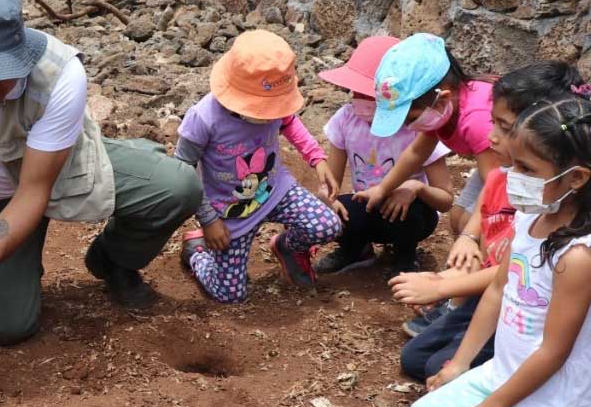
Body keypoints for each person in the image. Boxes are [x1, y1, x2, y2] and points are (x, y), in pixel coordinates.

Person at [0, 0, 202, 345]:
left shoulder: (59, 73)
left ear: (21, 53)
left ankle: (112, 258)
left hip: (61, 171)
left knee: (177, 188)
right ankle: (19, 262)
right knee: (6, 327)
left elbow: (34, 189)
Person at [407, 95, 591, 407]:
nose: (511, 176)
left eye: (527, 169)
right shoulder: (529, 217)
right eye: (514, 164)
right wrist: (459, 364)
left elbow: (554, 352)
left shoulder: (578, 258)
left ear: (575, 178)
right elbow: (497, 289)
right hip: (504, 373)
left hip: (548, 398)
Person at [395, 62, 587, 381]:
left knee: (434, 366)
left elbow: (515, 274)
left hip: (530, 312)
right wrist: (469, 239)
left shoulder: (549, 206)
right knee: (415, 359)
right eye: (493, 122)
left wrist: (443, 285)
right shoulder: (515, 180)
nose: (492, 136)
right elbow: (489, 203)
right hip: (495, 293)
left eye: (505, 127)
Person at [178, 30, 343, 303]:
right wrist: (209, 220)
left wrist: (317, 157)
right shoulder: (204, 118)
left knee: (326, 226)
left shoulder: (278, 109)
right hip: (229, 211)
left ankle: (288, 248)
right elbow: (183, 170)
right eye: (263, 110)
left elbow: (290, 122)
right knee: (231, 295)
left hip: (275, 191)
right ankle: (197, 254)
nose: (271, 116)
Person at [314, 35, 453, 275]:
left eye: (369, 94)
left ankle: (405, 255)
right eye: (356, 92)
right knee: (339, 210)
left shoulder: (417, 127)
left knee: (408, 213)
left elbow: (446, 199)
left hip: (408, 212)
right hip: (367, 206)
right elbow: (331, 183)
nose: (361, 100)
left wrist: (415, 188)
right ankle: (355, 249)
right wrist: (327, 197)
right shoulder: (346, 118)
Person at [355, 34, 500, 228]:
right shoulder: (441, 111)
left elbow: (494, 183)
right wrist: (382, 189)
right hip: (497, 166)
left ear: (443, 98)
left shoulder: (477, 120)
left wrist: (469, 237)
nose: (409, 126)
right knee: (457, 219)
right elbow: (416, 153)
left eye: (412, 118)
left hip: (527, 167)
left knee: (477, 226)